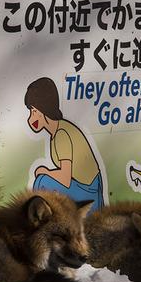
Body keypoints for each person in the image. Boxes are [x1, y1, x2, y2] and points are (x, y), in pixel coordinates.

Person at [25, 77, 105, 211]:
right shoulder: (56, 131)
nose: (31, 117)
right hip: (83, 186)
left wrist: (45, 171)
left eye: (34, 111)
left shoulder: (62, 133)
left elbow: (65, 178)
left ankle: (41, 220)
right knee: (43, 181)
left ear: (43, 109)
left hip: (89, 191)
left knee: (42, 181)